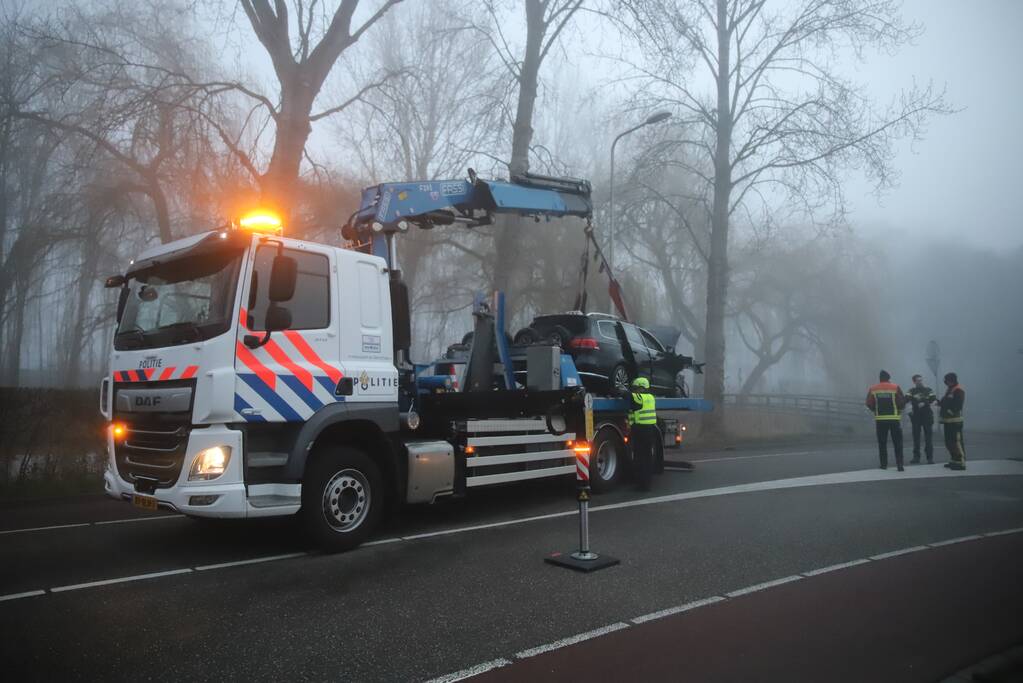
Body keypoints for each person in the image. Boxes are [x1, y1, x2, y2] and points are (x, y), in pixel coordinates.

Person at [865, 370, 907, 471]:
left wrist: (875, 410)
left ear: (880, 379)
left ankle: (884, 465)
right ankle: (900, 465)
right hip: (894, 419)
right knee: (897, 443)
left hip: (880, 420)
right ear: (889, 378)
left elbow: (868, 403)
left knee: (882, 443)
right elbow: (902, 402)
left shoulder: (873, 388)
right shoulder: (895, 387)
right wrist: (899, 410)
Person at [628, 376, 658, 490]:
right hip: (649, 430)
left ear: (642, 388)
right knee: (647, 457)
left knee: (640, 457)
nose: (634, 390)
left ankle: (642, 484)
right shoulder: (650, 397)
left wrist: (618, 390)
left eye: (636, 388)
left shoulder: (640, 397)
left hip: (641, 431)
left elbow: (628, 395)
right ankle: (646, 483)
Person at [938, 372, 967, 470]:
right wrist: (937, 402)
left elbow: (958, 405)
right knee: (949, 442)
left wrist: (948, 412)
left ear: (951, 380)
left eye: (946, 380)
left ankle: (961, 462)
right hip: (948, 421)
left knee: (956, 442)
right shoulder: (949, 389)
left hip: (955, 420)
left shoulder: (958, 390)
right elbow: (944, 402)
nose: (945, 382)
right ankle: (954, 460)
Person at [906, 374, 937, 464]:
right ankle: (916, 457)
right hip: (916, 417)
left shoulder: (928, 390)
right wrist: (909, 409)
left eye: (921, 380)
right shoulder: (911, 391)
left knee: (928, 438)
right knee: (916, 438)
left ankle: (930, 458)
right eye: (918, 380)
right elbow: (906, 400)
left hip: (927, 416)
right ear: (914, 382)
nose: (920, 382)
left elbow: (934, 400)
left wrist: (925, 403)